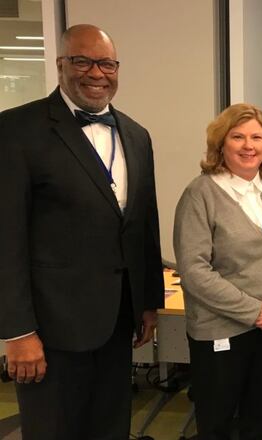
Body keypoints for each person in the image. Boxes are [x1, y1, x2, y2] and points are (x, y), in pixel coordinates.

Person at [0, 24, 164, 439]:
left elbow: (144, 225)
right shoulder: (17, 130)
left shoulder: (137, 135)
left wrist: (147, 302)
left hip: (117, 324)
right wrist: (17, 332)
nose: (96, 73)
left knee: (110, 428)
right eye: (83, 61)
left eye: (106, 63)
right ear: (60, 65)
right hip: (50, 329)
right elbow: (6, 238)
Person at [173, 103, 262, 439]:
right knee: (216, 422)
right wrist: (254, 311)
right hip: (222, 330)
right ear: (221, 144)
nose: (249, 145)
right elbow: (194, 270)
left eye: (256, 137)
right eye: (237, 137)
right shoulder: (200, 194)